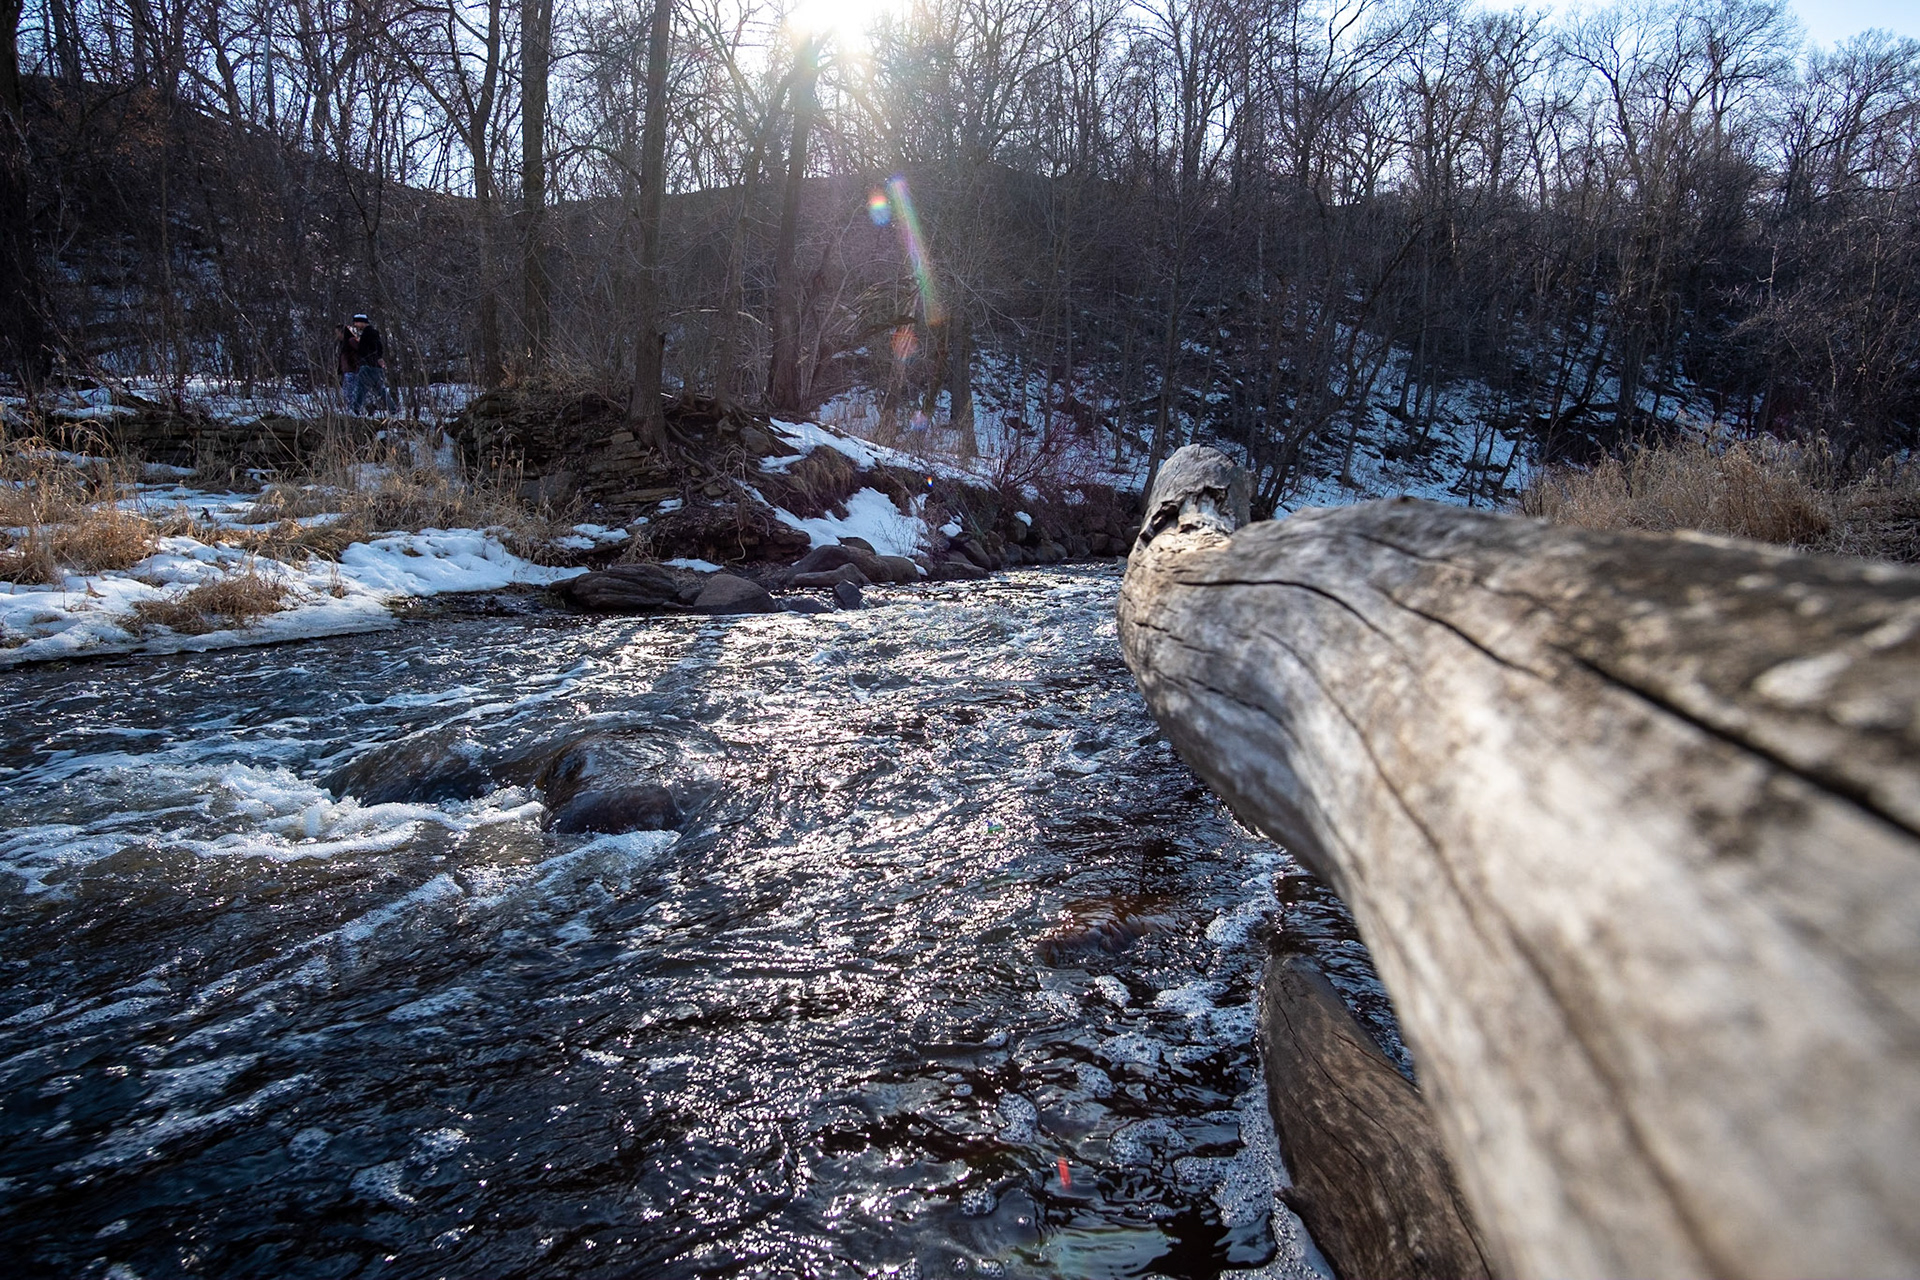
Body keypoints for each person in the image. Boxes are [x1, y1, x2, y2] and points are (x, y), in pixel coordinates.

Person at [347, 313, 395, 415]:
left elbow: (375, 348)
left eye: (356, 322)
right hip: (373, 365)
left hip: (368, 365)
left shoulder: (369, 333)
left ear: (362, 322)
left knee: (362, 387)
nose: (355, 325)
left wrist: (371, 358)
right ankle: (392, 409)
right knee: (379, 389)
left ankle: (355, 409)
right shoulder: (370, 333)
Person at [336, 322, 360, 405]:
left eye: (338, 333)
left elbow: (360, 353)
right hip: (347, 371)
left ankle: (354, 409)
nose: (337, 335)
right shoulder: (343, 344)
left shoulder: (351, 341)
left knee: (351, 392)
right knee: (347, 392)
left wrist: (355, 364)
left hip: (353, 370)